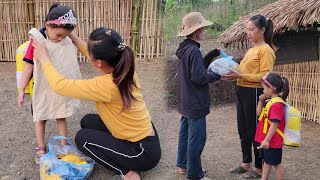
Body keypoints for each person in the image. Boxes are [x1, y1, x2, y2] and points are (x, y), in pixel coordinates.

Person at [32, 27, 161, 180]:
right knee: (87, 121)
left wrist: (44, 58)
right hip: (143, 135)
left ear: (99, 62)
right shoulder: (125, 65)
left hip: (142, 152)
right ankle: (120, 150)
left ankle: (127, 173)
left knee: (82, 139)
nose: (87, 51)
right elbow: (90, 52)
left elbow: (60, 86)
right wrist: (70, 33)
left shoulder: (106, 85)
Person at [17, 3, 81, 165]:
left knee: (61, 115)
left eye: (65, 36)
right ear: (47, 26)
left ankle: (63, 144)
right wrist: (22, 89)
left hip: (58, 87)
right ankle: (40, 147)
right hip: (41, 89)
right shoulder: (37, 42)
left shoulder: (64, 40)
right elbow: (28, 67)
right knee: (40, 117)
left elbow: (67, 64)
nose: (61, 39)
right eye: (59, 35)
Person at [224, 14, 276, 179]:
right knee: (243, 129)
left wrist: (240, 76)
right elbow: (245, 71)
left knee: (255, 130)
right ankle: (246, 162)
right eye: (247, 30)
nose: (248, 33)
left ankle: (259, 168)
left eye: (251, 29)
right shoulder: (251, 49)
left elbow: (264, 76)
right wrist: (231, 69)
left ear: (262, 30)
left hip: (254, 93)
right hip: (242, 91)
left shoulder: (266, 50)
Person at [176, 12, 221, 180]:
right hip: (195, 102)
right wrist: (217, 75)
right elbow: (199, 77)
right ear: (196, 31)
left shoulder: (186, 48)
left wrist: (209, 56)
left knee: (185, 134)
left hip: (186, 100)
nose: (204, 31)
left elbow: (196, 69)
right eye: (202, 28)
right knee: (197, 138)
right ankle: (194, 174)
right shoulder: (193, 50)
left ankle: (183, 165)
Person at [255, 72, 289, 180]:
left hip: (272, 141)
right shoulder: (269, 102)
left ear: (271, 89)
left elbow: (275, 124)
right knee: (267, 161)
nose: (263, 90)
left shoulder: (276, 105)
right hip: (267, 140)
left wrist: (266, 140)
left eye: (264, 88)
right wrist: (260, 101)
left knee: (276, 164)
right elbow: (258, 114)